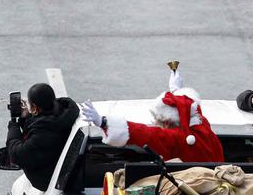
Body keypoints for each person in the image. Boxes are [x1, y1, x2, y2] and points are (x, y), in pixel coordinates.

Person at [81, 68, 223, 162]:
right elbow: (189, 108)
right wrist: (177, 91)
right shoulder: (202, 126)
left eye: (158, 121)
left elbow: (144, 133)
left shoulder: (175, 138)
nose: (156, 124)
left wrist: (103, 122)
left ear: (167, 122)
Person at [3, 82, 77, 192]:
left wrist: (14, 127)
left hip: (51, 184)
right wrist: (26, 117)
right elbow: (40, 125)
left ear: (34, 107)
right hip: (70, 177)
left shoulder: (44, 132)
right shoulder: (65, 116)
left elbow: (17, 154)